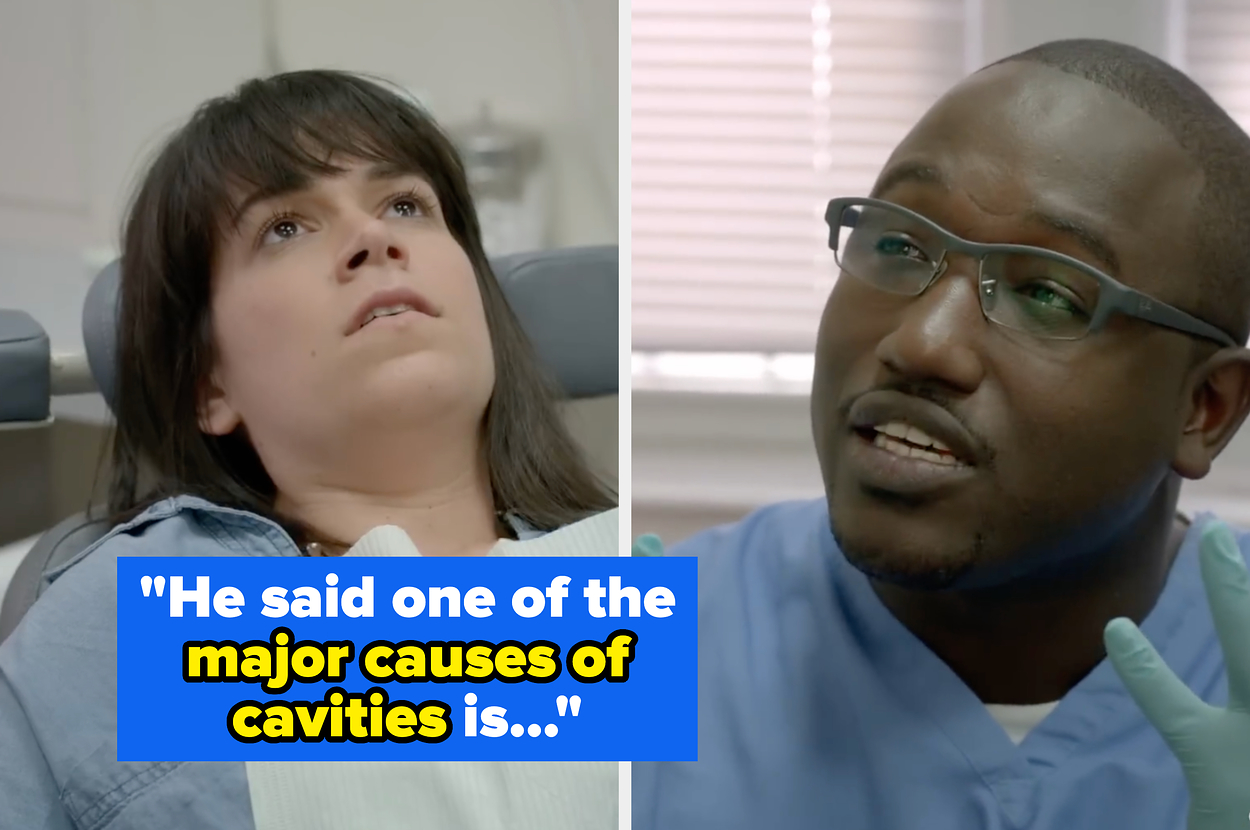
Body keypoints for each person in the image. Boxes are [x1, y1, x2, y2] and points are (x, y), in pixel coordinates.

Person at [633, 39, 1250, 830]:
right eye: (898, 244)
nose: (923, 342)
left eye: (1052, 295)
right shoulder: (629, 650)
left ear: (1205, 409)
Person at [0, 70, 618, 829]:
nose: (373, 238)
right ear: (209, 385)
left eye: (406, 204)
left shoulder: (634, 573)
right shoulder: (128, 622)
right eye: (284, 227)